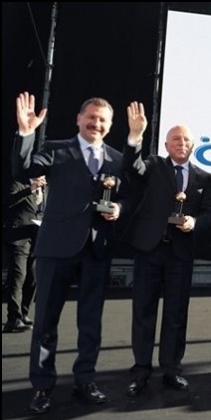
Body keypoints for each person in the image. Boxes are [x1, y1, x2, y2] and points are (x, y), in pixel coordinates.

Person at [12, 92, 130, 414]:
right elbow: (22, 171)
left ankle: (85, 381)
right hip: (56, 248)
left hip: (97, 250)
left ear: (110, 125)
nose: (96, 123)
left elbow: (130, 196)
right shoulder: (55, 149)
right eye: (91, 117)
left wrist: (119, 208)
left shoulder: (117, 159)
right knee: (45, 322)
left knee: (90, 323)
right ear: (79, 119)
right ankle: (42, 387)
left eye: (102, 120)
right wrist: (26, 133)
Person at [121, 102, 211, 396]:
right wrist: (135, 136)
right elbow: (132, 167)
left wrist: (194, 222)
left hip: (181, 254)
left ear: (193, 145)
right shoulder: (153, 165)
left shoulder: (203, 177)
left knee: (176, 314)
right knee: (144, 312)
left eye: (186, 139)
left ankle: (172, 369)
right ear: (166, 145)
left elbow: (209, 213)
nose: (181, 143)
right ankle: (141, 371)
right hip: (149, 250)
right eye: (176, 139)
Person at [3, 176, 45, 333]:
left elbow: (40, 210)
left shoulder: (46, 189)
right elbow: (9, 201)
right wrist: (30, 189)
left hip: (35, 237)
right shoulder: (18, 184)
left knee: (33, 278)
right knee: (17, 278)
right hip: (18, 238)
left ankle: (24, 313)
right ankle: (13, 319)